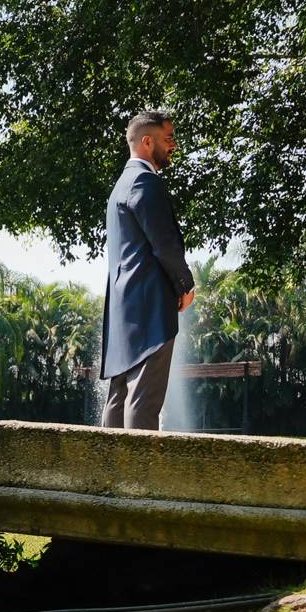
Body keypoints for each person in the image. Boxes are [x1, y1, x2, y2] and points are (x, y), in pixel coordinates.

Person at [99, 110, 195, 431]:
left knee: (119, 394)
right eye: (169, 139)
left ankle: (107, 472)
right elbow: (164, 243)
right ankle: (138, 479)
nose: (175, 146)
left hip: (122, 307)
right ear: (146, 141)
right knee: (144, 398)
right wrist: (185, 284)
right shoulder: (144, 182)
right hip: (150, 306)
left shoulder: (119, 188)